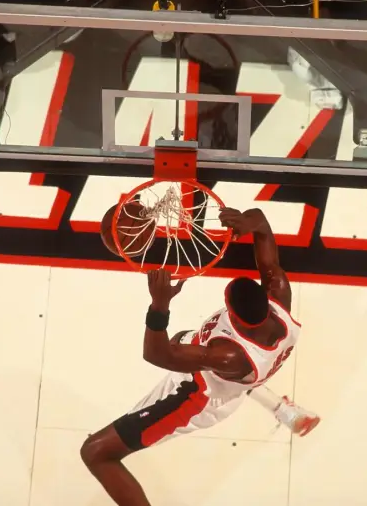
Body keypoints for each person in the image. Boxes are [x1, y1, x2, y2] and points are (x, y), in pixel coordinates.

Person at [81, 207, 319, 506]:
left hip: (194, 398)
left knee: (96, 451)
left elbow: (156, 354)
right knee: (198, 348)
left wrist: (159, 306)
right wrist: (248, 222)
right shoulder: (278, 295)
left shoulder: (228, 355)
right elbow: (261, 223)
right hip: (234, 372)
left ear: (236, 320)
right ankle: (283, 409)